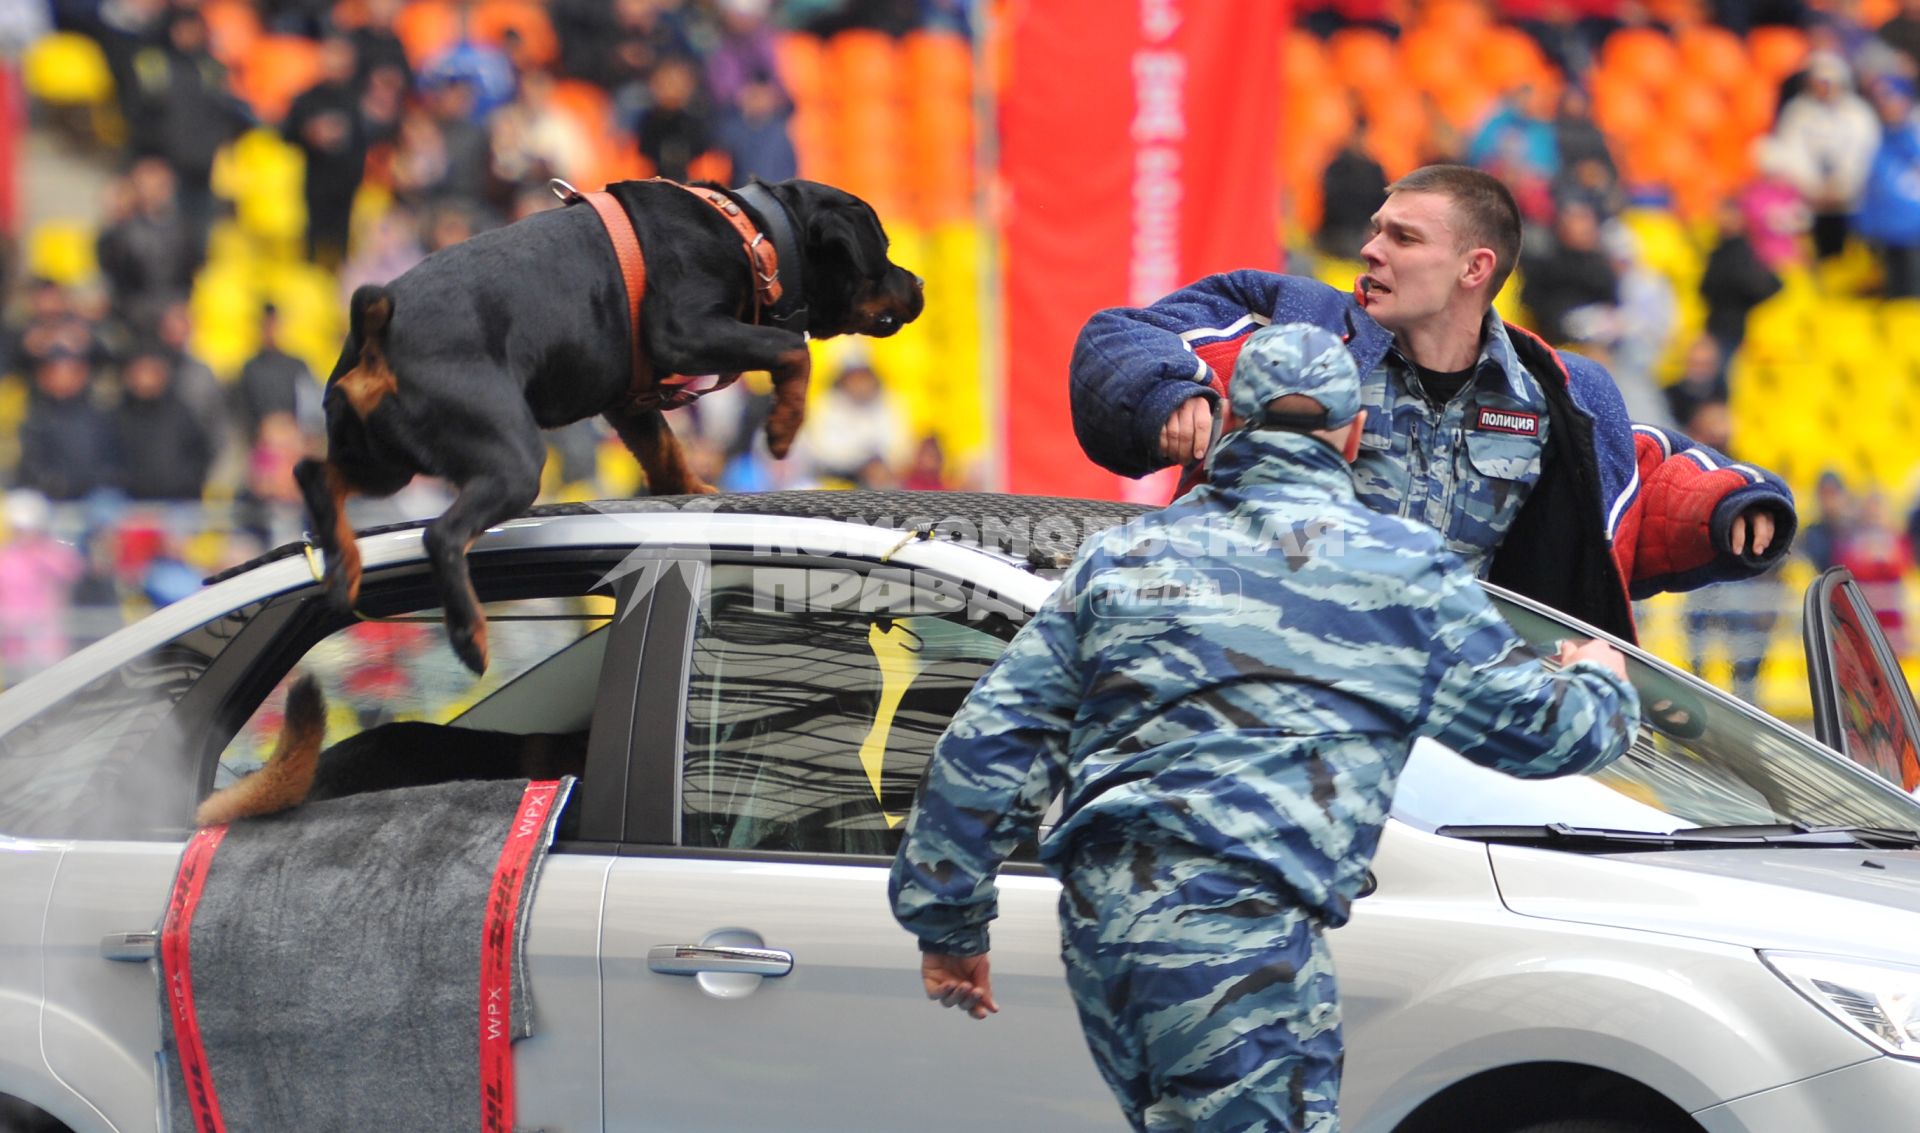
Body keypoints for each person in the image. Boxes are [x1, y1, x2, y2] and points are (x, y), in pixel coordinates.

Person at [892, 323, 1642, 1133]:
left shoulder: (1128, 555)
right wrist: (1601, 671)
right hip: (1240, 926)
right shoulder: (1397, 567)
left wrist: (949, 920)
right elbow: (1543, 733)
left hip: (1104, 922)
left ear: (1232, 421)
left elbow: (992, 742)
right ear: (1355, 434)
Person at [1069, 164, 1797, 642]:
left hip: (1450, 735)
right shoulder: (1293, 325)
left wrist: (1727, 508)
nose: (1370, 249)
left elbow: (1630, 482)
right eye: (1376, 229)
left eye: (1403, 237)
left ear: (1474, 268)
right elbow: (1121, 339)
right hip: (1256, 689)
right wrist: (1163, 394)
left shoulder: (1560, 391)